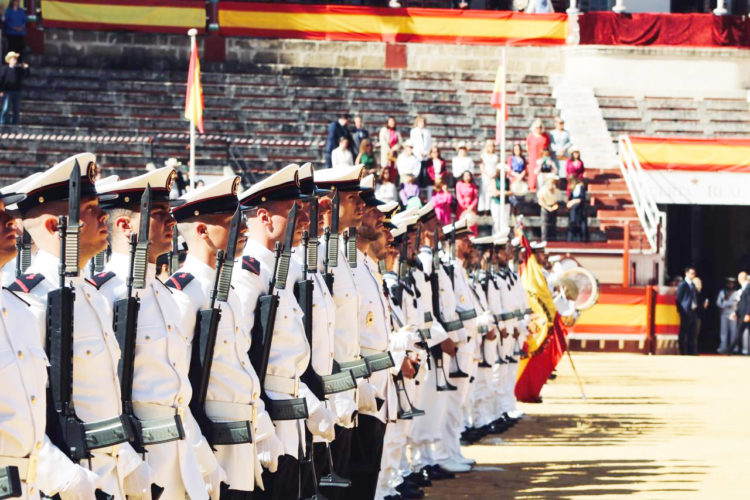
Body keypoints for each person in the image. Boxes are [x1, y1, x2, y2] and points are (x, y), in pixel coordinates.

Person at [12, 153, 152, 498]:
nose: (103, 215)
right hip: (68, 479)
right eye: (90, 209)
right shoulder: (31, 300)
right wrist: (64, 479)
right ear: (53, 227)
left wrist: (128, 464)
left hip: (108, 473)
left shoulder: (92, 295)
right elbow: (25, 405)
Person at [95, 168, 227, 499]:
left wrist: (203, 461)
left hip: (180, 457)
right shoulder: (106, 294)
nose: (170, 223)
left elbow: (178, 389)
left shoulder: (165, 294)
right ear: (126, 226)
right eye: (158, 215)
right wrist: (126, 463)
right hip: (140, 458)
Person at [236, 165, 335, 499]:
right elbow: (240, 355)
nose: (306, 220)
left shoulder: (282, 266)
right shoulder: (249, 272)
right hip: (270, 416)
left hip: (293, 415)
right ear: (265, 218)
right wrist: (262, 427)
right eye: (296, 212)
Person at [0, 180, 99, 499]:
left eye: (7, 213)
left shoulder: (16, 309)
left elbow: (32, 413)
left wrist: (66, 477)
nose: (11, 222)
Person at [0, 50, 28, 126]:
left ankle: (15, 124)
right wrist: (1, 90)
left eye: (15, 58)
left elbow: (26, 75)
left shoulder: (19, 69)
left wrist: (25, 68)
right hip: (8, 91)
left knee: (16, 109)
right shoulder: (5, 69)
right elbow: (1, 80)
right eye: (13, 58)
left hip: (17, 91)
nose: (15, 60)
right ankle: (2, 123)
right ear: (10, 60)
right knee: (6, 108)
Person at [676, 267, 699, 355]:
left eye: (694, 273)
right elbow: (678, 298)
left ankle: (691, 352)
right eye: (691, 273)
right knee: (684, 331)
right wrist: (680, 311)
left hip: (693, 310)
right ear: (686, 273)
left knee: (692, 332)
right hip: (685, 311)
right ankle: (683, 351)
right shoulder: (683, 285)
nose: (693, 275)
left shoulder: (692, 285)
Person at [525, 119, 550, 191]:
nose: (539, 129)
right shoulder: (530, 136)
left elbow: (548, 147)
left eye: (540, 127)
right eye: (537, 127)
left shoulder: (545, 136)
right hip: (533, 156)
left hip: (543, 157)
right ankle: (532, 187)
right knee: (533, 172)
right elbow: (527, 147)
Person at [716, 277, 739, 354]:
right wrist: (724, 305)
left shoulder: (736, 292)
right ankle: (723, 347)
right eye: (729, 283)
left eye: (732, 283)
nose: (730, 284)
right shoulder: (722, 292)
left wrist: (729, 304)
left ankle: (734, 348)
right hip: (724, 312)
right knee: (723, 331)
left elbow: (736, 303)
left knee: (733, 331)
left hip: (732, 313)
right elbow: (718, 302)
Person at [486, 164, 510, 234]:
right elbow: (495, 192)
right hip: (496, 203)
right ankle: (495, 238)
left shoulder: (507, 180)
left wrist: (503, 193)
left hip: (506, 203)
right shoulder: (494, 180)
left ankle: (504, 237)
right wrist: (505, 192)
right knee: (497, 221)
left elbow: (511, 191)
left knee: (505, 221)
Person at [478, 139, 499, 214]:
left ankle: (489, 209)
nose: (491, 147)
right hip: (485, 176)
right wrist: (488, 174)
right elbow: (482, 167)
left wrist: (494, 174)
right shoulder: (483, 155)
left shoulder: (496, 156)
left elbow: (497, 167)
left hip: (493, 177)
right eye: (490, 146)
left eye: (493, 146)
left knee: (491, 192)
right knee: (484, 192)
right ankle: (483, 209)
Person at [537, 174, 559, 241]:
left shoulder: (555, 190)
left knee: (553, 227)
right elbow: (540, 201)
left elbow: (556, 200)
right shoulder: (543, 190)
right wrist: (547, 207)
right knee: (545, 227)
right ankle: (544, 242)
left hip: (553, 209)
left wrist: (555, 206)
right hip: (545, 209)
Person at [566, 176, 587, 241]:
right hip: (573, 210)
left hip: (579, 210)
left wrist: (573, 202)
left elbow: (582, 199)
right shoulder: (573, 189)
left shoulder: (581, 187)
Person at [735, 271, 750, 355]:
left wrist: (748, 314)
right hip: (743, 313)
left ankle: (729, 349)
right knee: (740, 332)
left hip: (746, 314)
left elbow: (749, 302)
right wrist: (736, 312)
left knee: (739, 332)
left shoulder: (748, 287)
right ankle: (730, 349)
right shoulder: (743, 289)